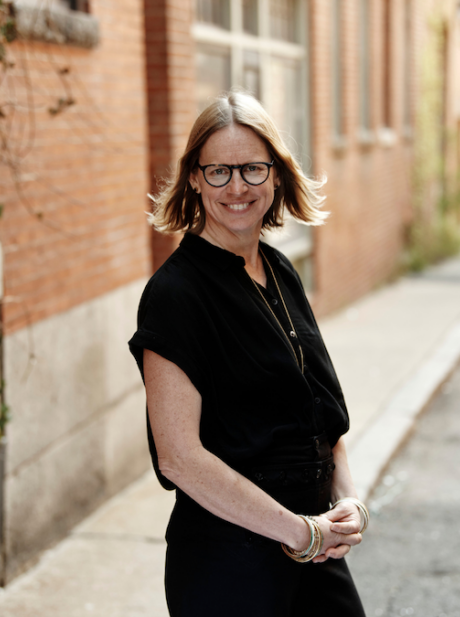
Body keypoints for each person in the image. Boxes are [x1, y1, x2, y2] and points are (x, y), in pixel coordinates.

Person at [128, 90, 366, 616]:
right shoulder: (174, 295)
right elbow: (180, 458)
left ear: (276, 175)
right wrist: (301, 532)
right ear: (194, 177)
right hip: (228, 565)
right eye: (218, 172)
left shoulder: (282, 272)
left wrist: (347, 505)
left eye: (253, 169)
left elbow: (320, 418)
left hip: (314, 548)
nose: (237, 187)